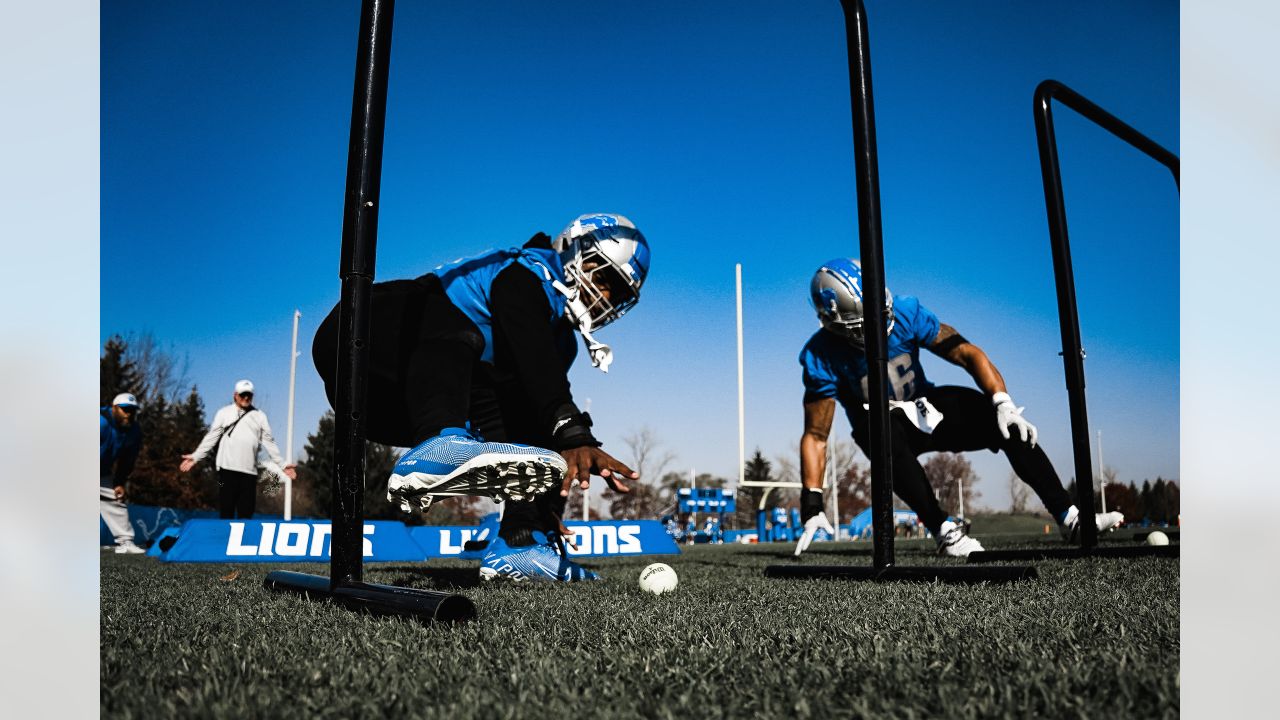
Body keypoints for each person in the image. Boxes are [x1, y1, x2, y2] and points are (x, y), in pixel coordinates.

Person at [312, 213, 647, 582]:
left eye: (615, 293)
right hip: (365, 336)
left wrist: (539, 502)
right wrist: (574, 433)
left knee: (542, 428)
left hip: (405, 406)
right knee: (459, 328)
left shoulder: (562, 339)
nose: (603, 296)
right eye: (603, 278)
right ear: (574, 249)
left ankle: (521, 544)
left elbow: (539, 400)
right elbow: (540, 370)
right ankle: (441, 444)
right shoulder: (523, 272)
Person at [794, 258, 1123, 557]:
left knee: (1003, 421)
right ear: (835, 323)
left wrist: (1002, 401)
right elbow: (817, 435)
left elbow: (966, 353)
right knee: (878, 428)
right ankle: (944, 531)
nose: (882, 326)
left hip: (925, 407)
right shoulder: (821, 355)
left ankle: (1071, 518)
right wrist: (812, 503)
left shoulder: (906, 313)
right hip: (884, 429)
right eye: (867, 323)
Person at [179, 379, 297, 518]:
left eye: (249, 395)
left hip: (249, 473)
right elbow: (212, 436)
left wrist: (282, 465)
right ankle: (224, 539)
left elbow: (269, 442)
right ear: (235, 395)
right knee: (226, 510)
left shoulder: (260, 416)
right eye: (243, 395)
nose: (246, 398)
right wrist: (196, 456)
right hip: (227, 470)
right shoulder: (224, 413)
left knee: (246, 513)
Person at [100, 392, 146, 554]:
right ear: (114, 408)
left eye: (132, 410)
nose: (129, 414)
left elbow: (128, 460)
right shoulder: (100, 422)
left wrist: (119, 481)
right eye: (125, 409)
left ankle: (125, 542)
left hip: (101, 472)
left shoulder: (133, 431)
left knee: (115, 499)